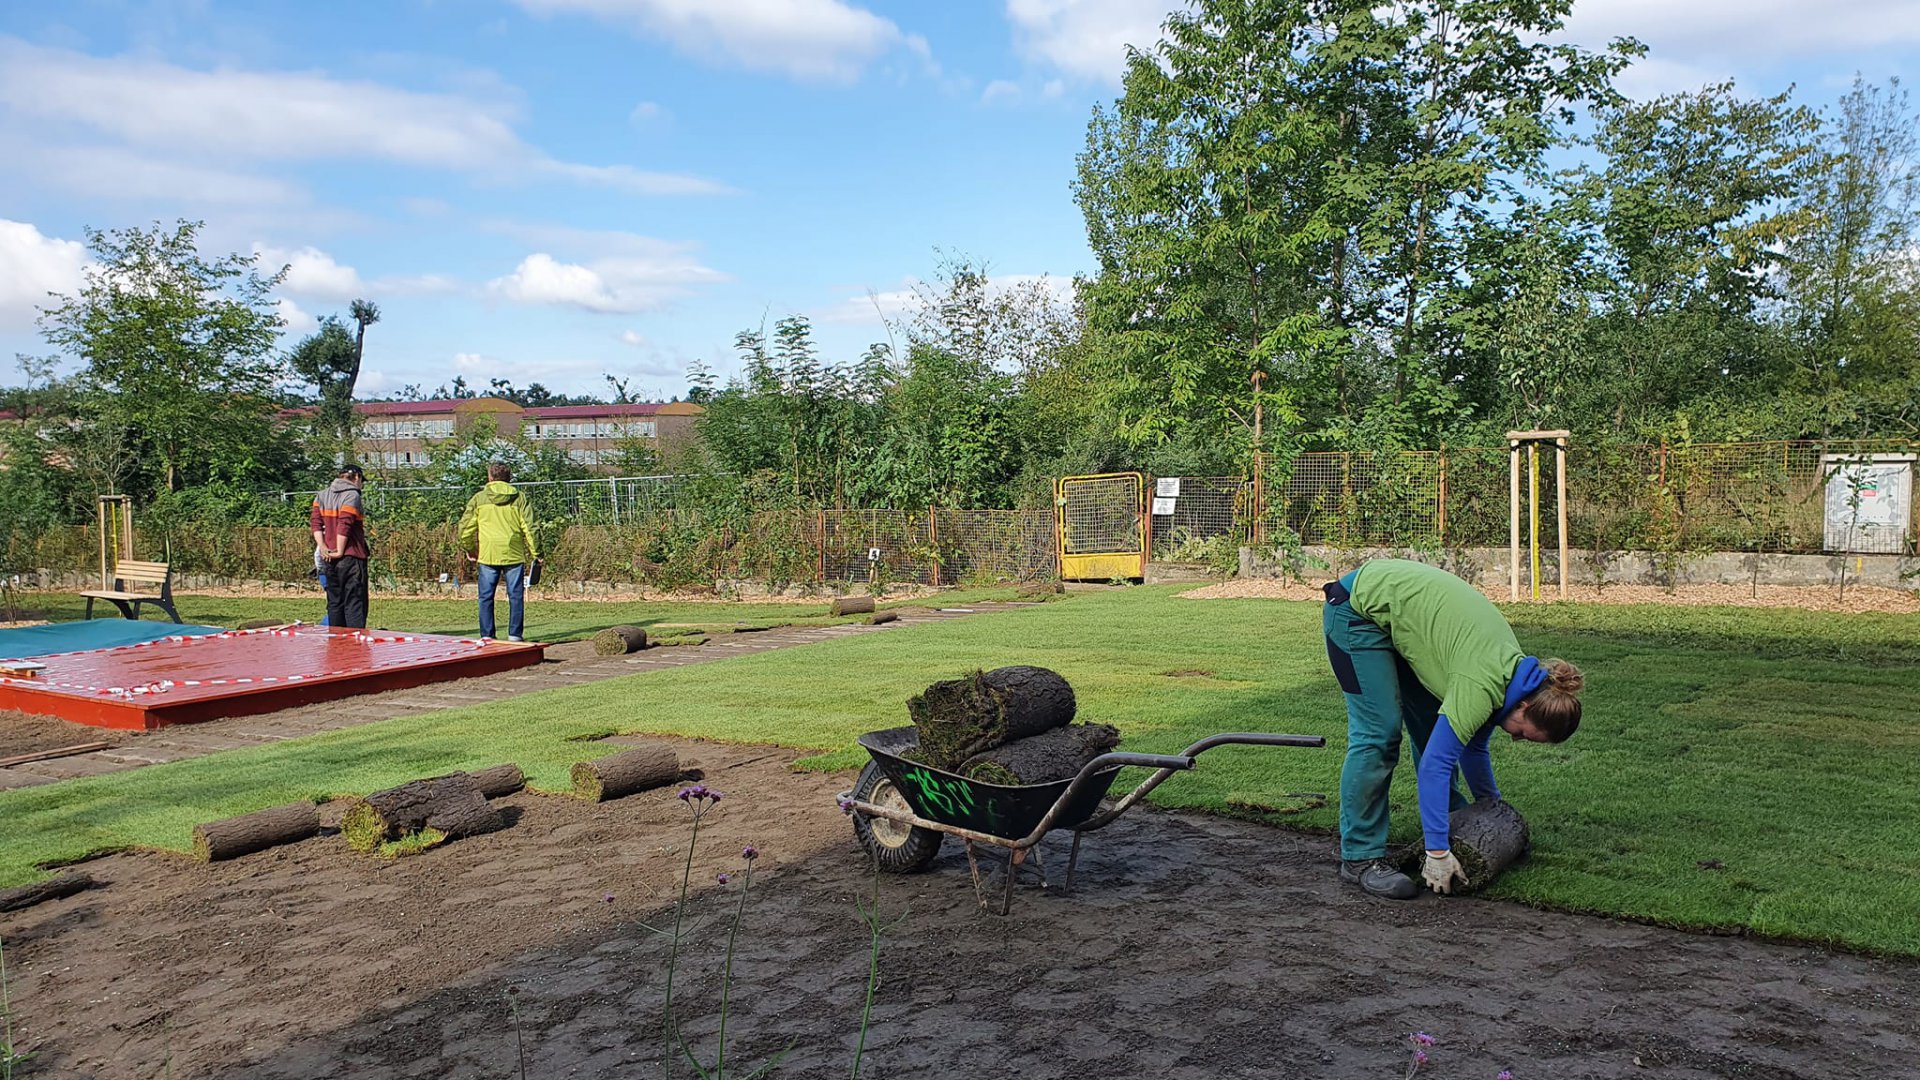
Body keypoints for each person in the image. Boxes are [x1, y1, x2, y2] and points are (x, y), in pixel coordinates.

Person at [1321, 558, 1583, 899]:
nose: (1516, 738)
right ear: (1524, 706)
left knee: (1435, 732)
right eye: (1522, 732)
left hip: (1398, 619)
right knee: (1379, 734)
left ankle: (1453, 822)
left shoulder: (1514, 677)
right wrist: (1437, 855)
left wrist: (1492, 814)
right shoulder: (1482, 683)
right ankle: (1359, 857)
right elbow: (1435, 766)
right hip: (1357, 611)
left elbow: (1473, 748)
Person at [458, 461, 541, 642]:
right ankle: (515, 635)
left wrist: (469, 548)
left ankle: (487, 635)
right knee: (515, 596)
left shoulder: (479, 498)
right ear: (509, 478)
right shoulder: (520, 498)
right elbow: (530, 528)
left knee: (485, 597)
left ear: (490, 477)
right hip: (513, 552)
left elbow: (465, 529)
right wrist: (537, 553)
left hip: (488, 553)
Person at [311, 464, 370, 629]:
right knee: (354, 602)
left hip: (328, 556)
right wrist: (340, 550)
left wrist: (322, 547)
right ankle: (355, 645)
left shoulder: (321, 495)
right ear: (357, 477)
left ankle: (336, 645)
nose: (361, 485)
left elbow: (316, 523)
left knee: (335, 603)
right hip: (350, 557)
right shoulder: (352, 495)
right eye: (362, 481)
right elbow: (345, 523)